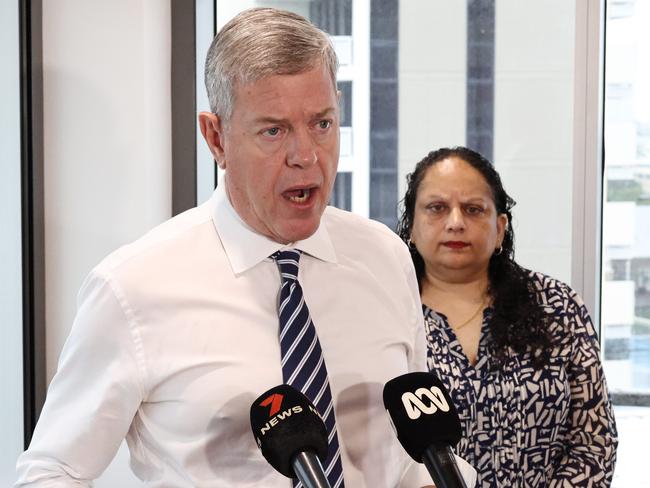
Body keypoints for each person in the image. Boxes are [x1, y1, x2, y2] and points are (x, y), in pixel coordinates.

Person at [15, 8, 476, 488]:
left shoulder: (385, 256)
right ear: (216, 137)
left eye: (321, 123)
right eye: (273, 130)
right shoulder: (132, 287)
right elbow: (52, 471)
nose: (305, 155)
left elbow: (407, 454)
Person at [396, 146, 618, 487]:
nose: (455, 223)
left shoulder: (556, 306)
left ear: (500, 228)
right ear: (411, 224)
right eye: (437, 208)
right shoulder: (388, 310)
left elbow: (593, 442)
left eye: (473, 210)